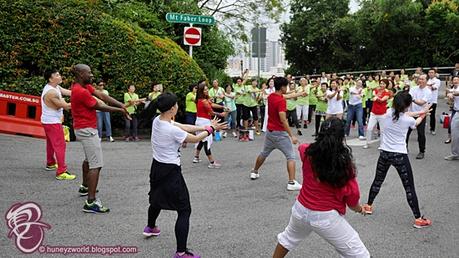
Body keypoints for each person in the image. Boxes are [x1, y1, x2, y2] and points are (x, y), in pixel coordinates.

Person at [141, 92, 226, 258]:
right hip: (171, 171)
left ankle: (150, 227)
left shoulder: (158, 121)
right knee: (184, 210)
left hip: (157, 168)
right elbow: (194, 139)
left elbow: (183, 127)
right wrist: (210, 129)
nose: (178, 106)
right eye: (177, 105)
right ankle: (181, 253)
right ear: (172, 108)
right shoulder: (170, 129)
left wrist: (205, 127)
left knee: (156, 199)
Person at [273, 118, 369, 258]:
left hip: (300, 209)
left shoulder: (307, 151)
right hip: (325, 216)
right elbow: (352, 199)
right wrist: (361, 209)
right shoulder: (343, 165)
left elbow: (301, 147)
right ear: (341, 137)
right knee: (360, 254)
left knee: (287, 239)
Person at [362, 92, 432, 228]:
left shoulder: (387, 113)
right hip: (399, 155)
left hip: (384, 153)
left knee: (378, 180)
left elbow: (404, 115)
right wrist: (423, 114)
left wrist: (421, 112)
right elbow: (415, 122)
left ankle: (368, 205)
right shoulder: (407, 120)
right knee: (409, 187)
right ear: (407, 105)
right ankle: (418, 218)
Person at [70, 64, 130, 213]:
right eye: (88, 73)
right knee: (96, 165)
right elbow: (99, 106)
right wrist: (120, 111)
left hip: (82, 128)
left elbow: (102, 95)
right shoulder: (81, 91)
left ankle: (85, 186)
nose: (91, 75)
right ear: (79, 74)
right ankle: (91, 202)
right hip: (87, 130)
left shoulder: (82, 86)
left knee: (89, 159)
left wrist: (121, 104)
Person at [249, 77, 302, 191]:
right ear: (282, 87)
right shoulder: (281, 101)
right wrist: (291, 135)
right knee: (291, 156)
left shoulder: (272, 96)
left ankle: (254, 171)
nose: (287, 88)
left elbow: (286, 95)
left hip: (270, 132)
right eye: (286, 86)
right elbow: (283, 119)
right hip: (280, 134)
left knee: (264, 153)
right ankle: (291, 182)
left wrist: (300, 93)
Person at [41, 69, 75, 180]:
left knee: (51, 143)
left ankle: (50, 163)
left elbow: (69, 92)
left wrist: (81, 93)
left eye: (59, 74)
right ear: (50, 79)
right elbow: (65, 106)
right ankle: (61, 172)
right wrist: (82, 100)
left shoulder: (56, 87)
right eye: (57, 75)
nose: (60, 76)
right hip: (52, 122)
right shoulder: (51, 93)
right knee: (60, 145)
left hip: (49, 121)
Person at [193, 81, 228, 168]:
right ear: (201, 91)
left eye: (207, 89)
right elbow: (211, 112)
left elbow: (212, 104)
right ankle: (212, 162)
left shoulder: (200, 99)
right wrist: (221, 114)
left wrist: (223, 107)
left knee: (202, 139)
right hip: (204, 122)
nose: (207, 90)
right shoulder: (204, 101)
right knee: (206, 142)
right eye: (205, 90)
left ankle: (196, 157)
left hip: (200, 121)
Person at [406, 74, 432, 159]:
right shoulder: (413, 89)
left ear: (426, 81)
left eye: (422, 79)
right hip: (411, 113)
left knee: (421, 133)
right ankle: (404, 148)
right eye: (419, 79)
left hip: (421, 114)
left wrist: (412, 99)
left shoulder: (428, 91)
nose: (420, 80)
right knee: (406, 132)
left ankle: (421, 151)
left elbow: (421, 102)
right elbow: (408, 100)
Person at [363, 79, 391, 149]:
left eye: (383, 84)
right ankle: (367, 143)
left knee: (382, 130)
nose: (382, 85)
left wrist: (376, 98)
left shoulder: (387, 92)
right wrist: (376, 97)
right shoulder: (376, 90)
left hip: (382, 114)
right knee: (369, 128)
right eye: (381, 83)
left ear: (386, 85)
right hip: (374, 113)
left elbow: (382, 100)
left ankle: (382, 145)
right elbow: (373, 97)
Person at [445, 76, 459, 160]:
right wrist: (450, 98)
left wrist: (451, 93)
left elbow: (456, 93)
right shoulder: (453, 88)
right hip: (457, 112)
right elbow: (450, 102)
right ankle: (455, 154)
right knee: (454, 134)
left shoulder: (453, 90)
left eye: (457, 80)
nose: (456, 81)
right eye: (454, 80)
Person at [427, 68, 441, 135]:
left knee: (432, 115)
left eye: (432, 72)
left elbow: (434, 88)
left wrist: (429, 86)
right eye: (429, 72)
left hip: (433, 100)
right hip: (425, 100)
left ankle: (432, 129)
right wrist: (429, 85)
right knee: (422, 114)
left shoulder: (437, 81)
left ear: (435, 73)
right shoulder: (427, 80)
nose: (430, 73)